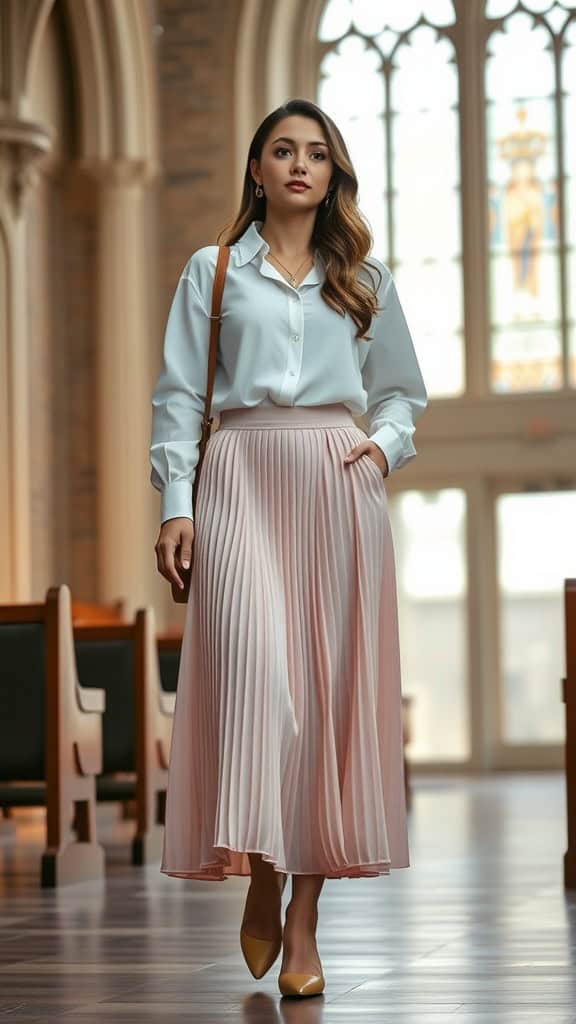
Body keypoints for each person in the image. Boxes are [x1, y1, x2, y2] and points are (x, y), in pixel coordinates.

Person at [149, 97, 428, 998]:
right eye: (282, 150)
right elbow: (178, 397)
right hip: (238, 479)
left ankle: (303, 919)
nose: (299, 164)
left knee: (322, 707)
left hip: (335, 485)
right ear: (259, 170)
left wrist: (378, 451)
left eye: (316, 153)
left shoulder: (366, 281)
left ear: (333, 172)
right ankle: (260, 870)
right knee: (262, 687)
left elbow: (401, 397)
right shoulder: (214, 270)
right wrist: (176, 502)